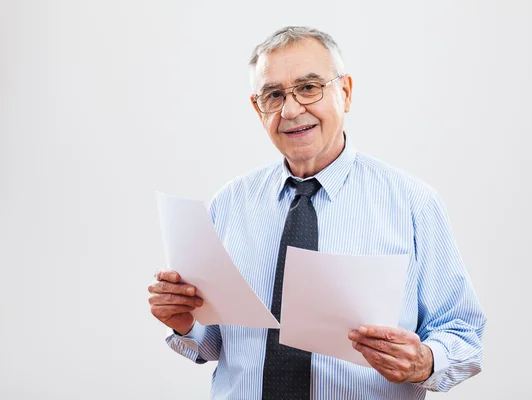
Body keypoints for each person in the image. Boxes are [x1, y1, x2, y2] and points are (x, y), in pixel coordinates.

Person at [148, 26, 486, 399]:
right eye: (273, 95)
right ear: (258, 109)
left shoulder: (412, 203)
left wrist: (426, 360)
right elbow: (213, 342)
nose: (291, 110)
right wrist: (184, 323)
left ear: (345, 92)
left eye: (309, 88)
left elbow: (463, 332)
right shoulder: (229, 204)